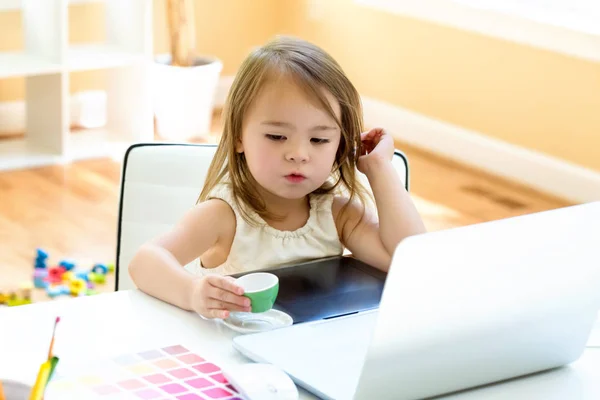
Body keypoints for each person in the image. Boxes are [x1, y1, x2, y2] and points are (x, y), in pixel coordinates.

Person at [129, 36, 426, 319]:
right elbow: (145, 261)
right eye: (277, 136)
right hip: (234, 355)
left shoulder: (338, 214)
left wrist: (379, 168)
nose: (298, 154)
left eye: (319, 140)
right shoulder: (224, 216)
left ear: (340, 143)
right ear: (238, 137)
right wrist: (192, 291)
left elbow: (412, 262)